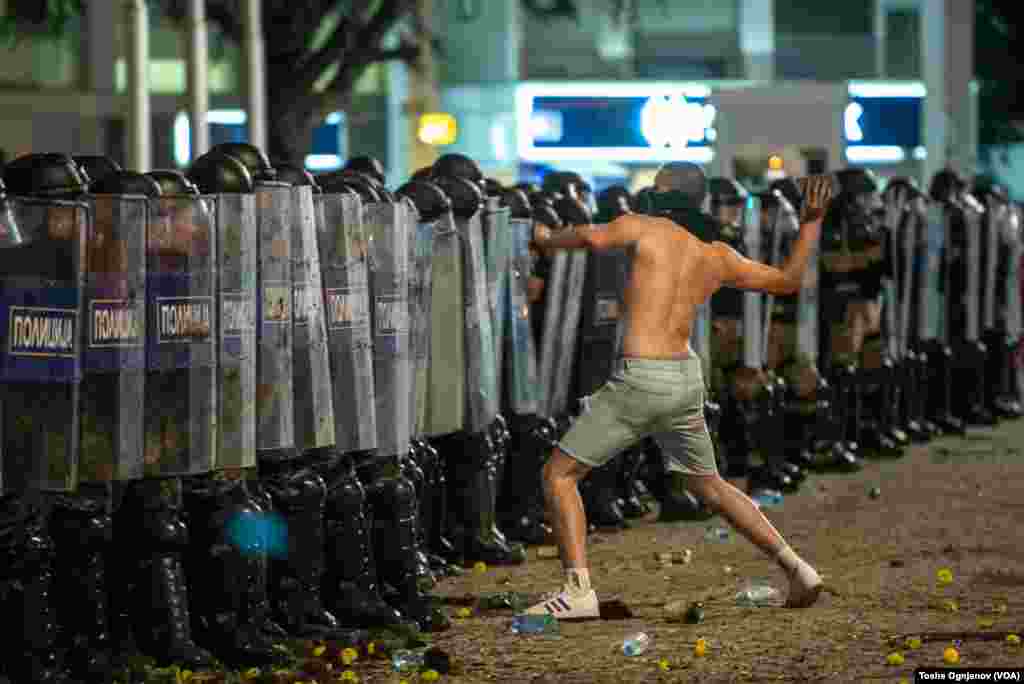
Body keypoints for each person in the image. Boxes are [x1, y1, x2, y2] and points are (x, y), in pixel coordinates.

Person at [522, 175, 835, 620]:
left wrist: (545, 237)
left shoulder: (645, 227)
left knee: (559, 475)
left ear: (661, 197)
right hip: (685, 378)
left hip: (641, 379)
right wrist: (811, 223)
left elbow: (591, 237)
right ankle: (798, 569)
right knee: (710, 484)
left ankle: (577, 591)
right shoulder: (716, 255)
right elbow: (787, 280)